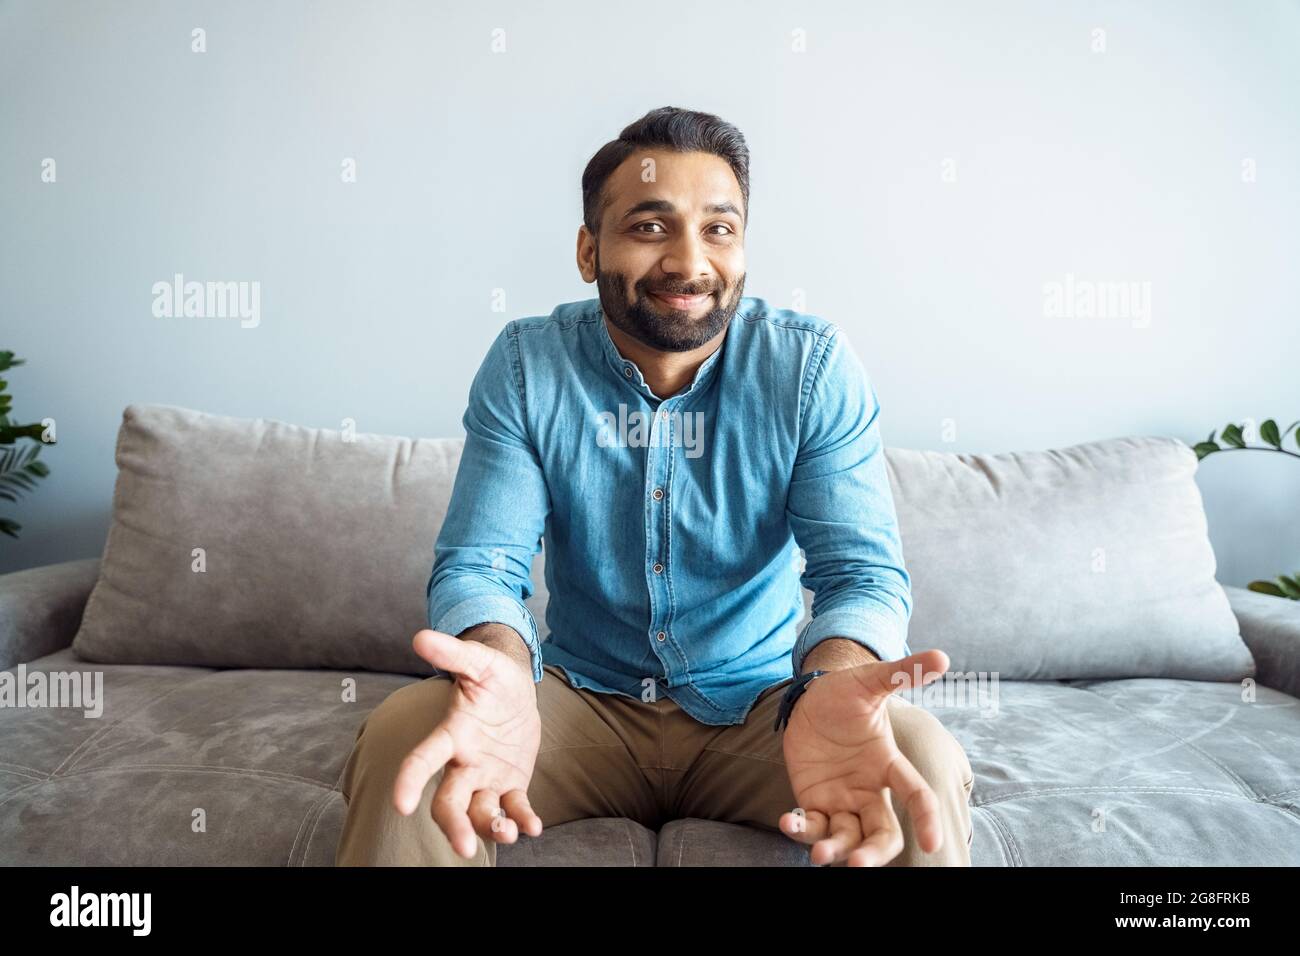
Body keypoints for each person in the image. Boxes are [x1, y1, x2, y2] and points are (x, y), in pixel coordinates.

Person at [335, 106, 974, 867]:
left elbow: (861, 576)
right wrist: (503, 674)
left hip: (766, 716)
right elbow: (481, 568)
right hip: (581, 706)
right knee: (415, 734)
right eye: (649, 227)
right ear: (587, 249)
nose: (689, 262)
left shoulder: (811, 369)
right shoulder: (525, 367)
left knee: (919, 757)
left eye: (718, 229)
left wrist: (828, 684)